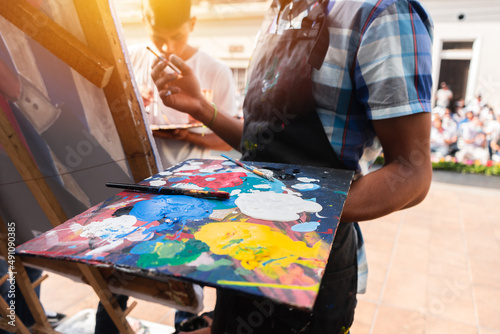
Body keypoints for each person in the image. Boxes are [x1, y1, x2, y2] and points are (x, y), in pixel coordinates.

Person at [151, 0, 433, 332]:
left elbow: (412, 170)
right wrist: (201, 107)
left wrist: (287, 210)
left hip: (311, 269)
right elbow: (264, 144)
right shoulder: (278, 12)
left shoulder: (380, 12)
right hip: (245, 251)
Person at [129, 0, 238, 170]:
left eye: (177, 37)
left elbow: (228, 142)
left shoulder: (217, 71)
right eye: (158, 37)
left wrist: (188, 136)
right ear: (144, 23)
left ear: (192, 23)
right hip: (137, 176)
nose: (167, 47)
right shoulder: (129, 61)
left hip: (190, 182)